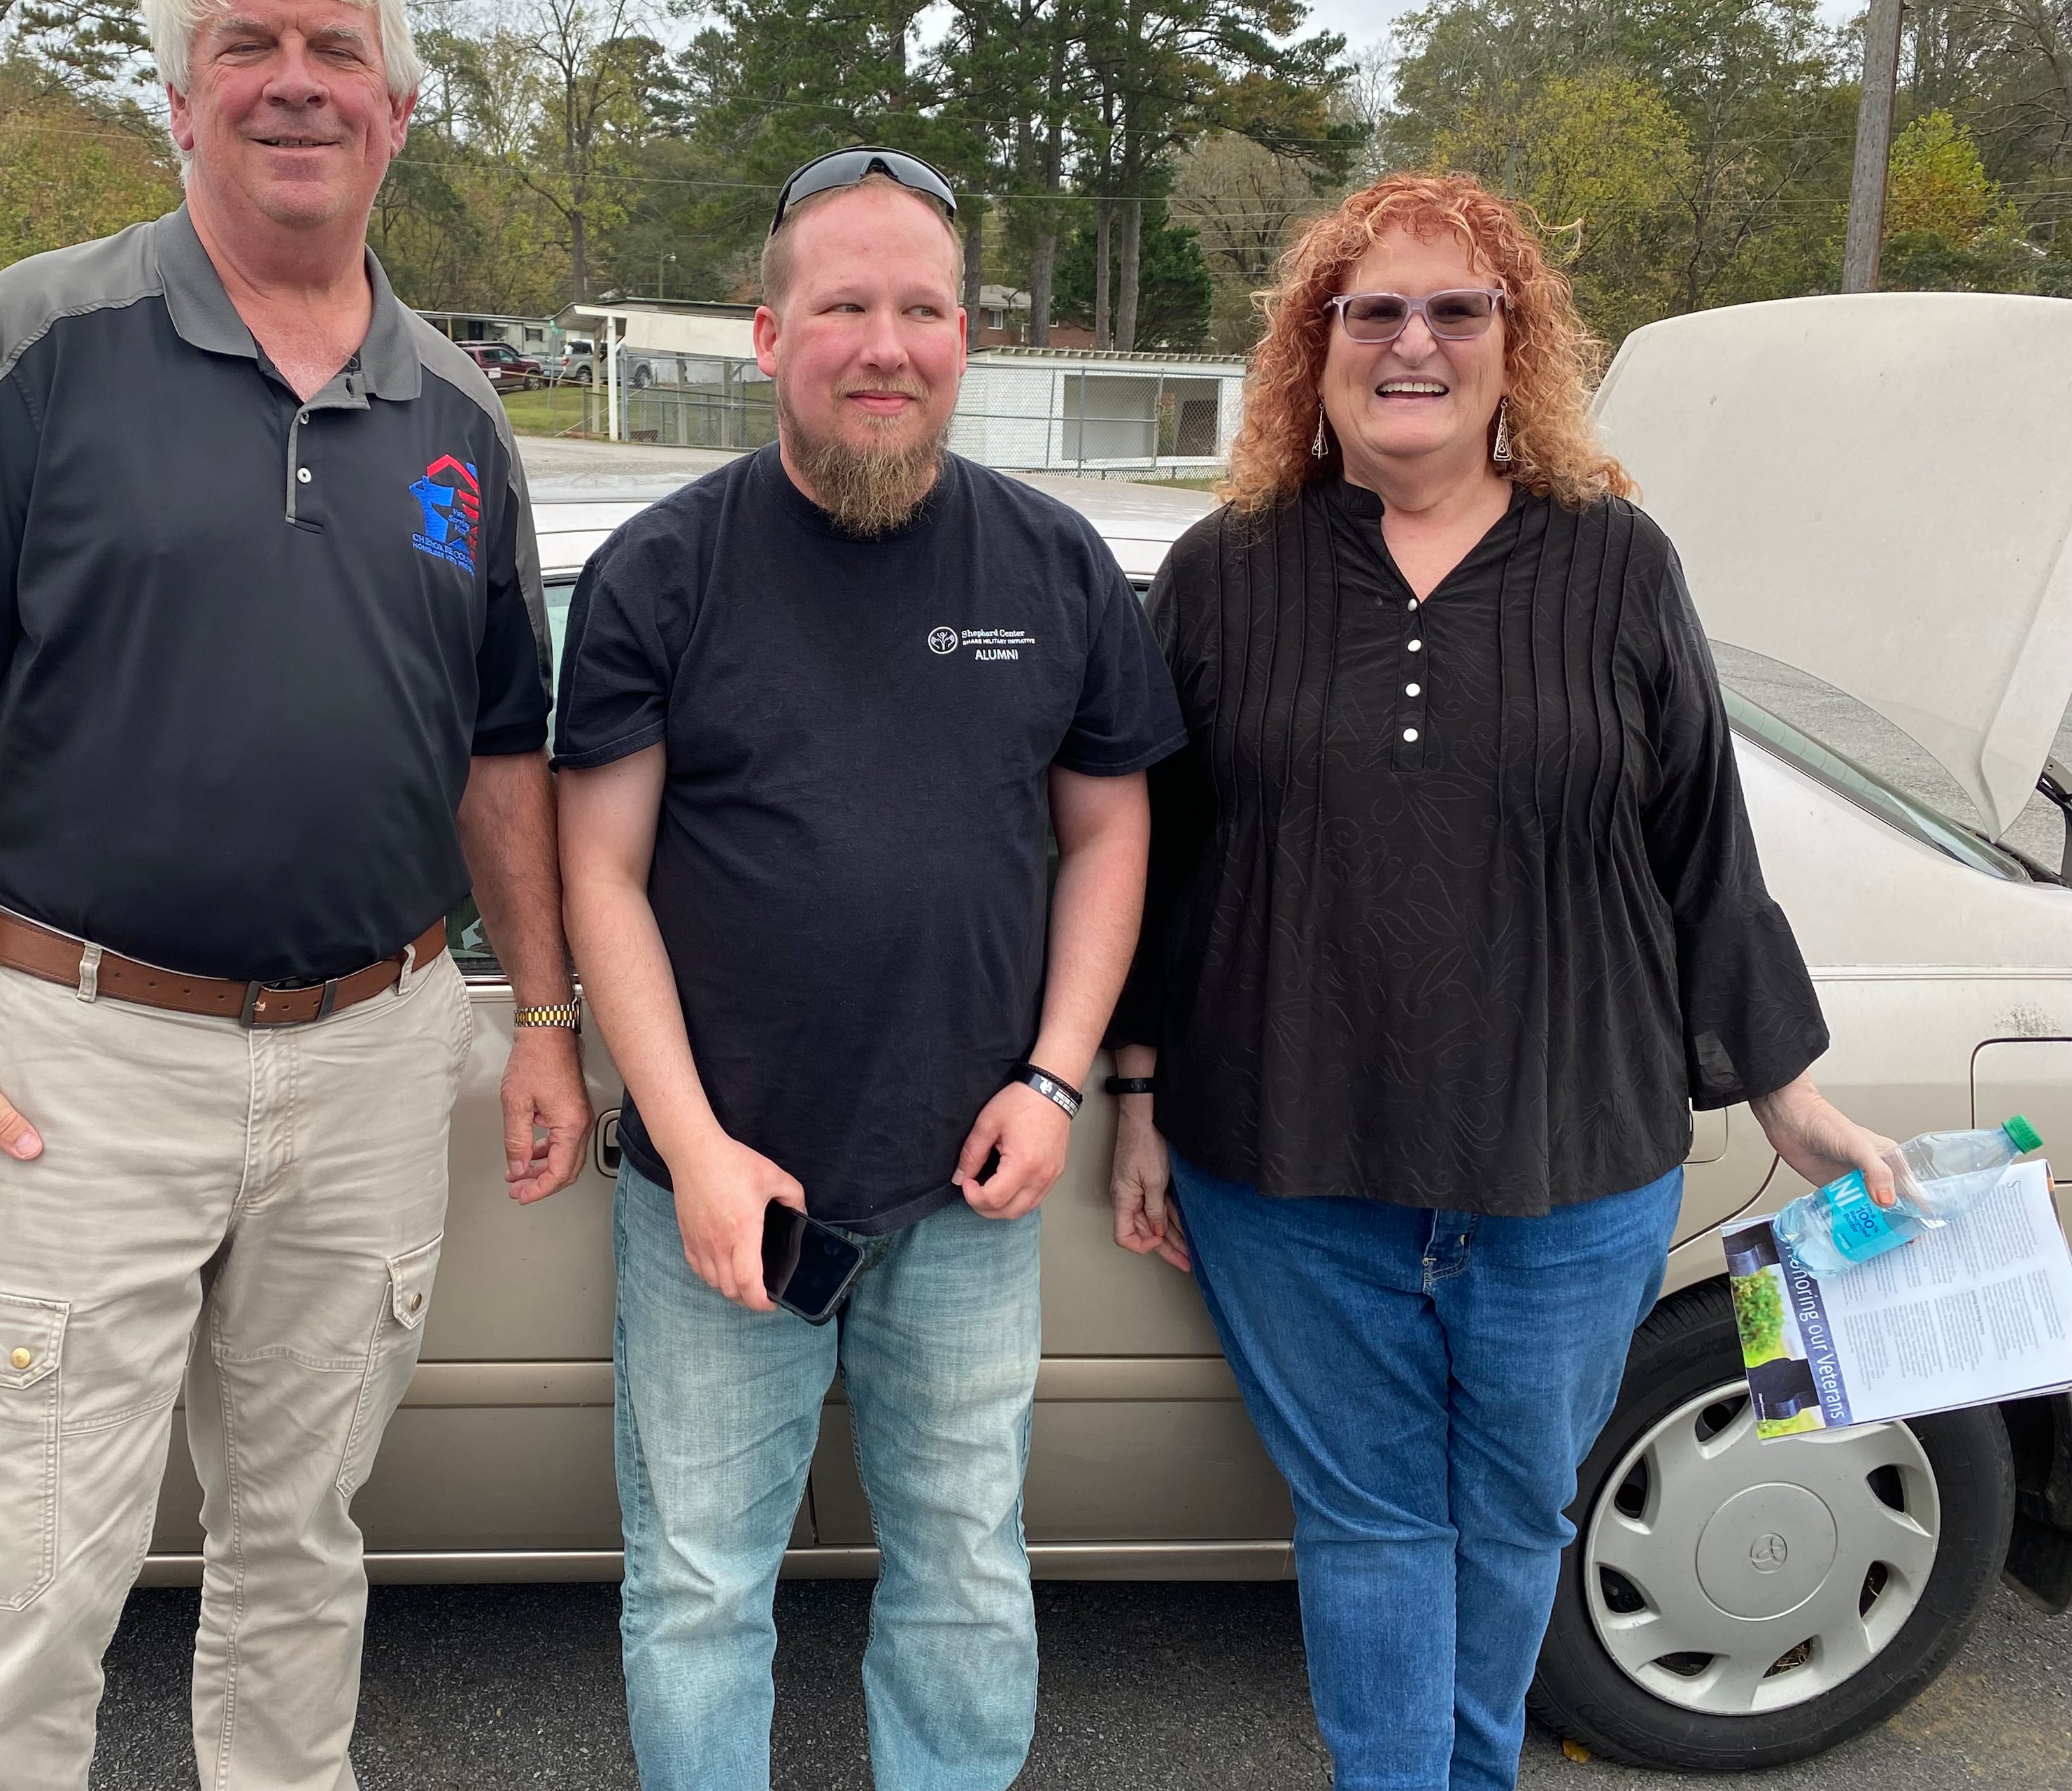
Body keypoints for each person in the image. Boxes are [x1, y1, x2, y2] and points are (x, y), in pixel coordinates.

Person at [0, 0, 593, 1791]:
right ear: (177, 99)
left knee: (299, 1548)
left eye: (336, 51)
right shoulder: (42, 342)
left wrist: (548, 1018)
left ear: (399, 109)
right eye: (245, 47)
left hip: (373, 1055)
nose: (294, 84)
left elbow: (505, 752)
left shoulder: (458, 419)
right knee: (22, 1590)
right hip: (78, 1060)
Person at [1105, 172, 1902, 1791]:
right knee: (1378, 1527)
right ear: (1311, 347)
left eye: (1457, 309)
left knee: (1513, 1518)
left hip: (1571, 1172)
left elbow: (1704, 840)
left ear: (1512, 344)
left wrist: (1789, 1094)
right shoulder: (1220, 575)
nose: (1414, 340)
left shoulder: (1615, 564)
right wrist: (1133, 1099)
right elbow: (1144, 865)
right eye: (1372, 309)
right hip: (1287, 1164)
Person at [556, 147, 1184, 1791]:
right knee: (699, 1586)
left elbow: (1112, 840)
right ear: (769, 337)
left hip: (968, 1186)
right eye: (844, 305)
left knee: (969, 1572)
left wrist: (1055, 1079)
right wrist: (688, 1146)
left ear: (968, 341)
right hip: (722, 1188)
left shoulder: (1053, 571)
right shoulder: (662, 573)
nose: (885, 343)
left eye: (924, 309)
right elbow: (597, 870)